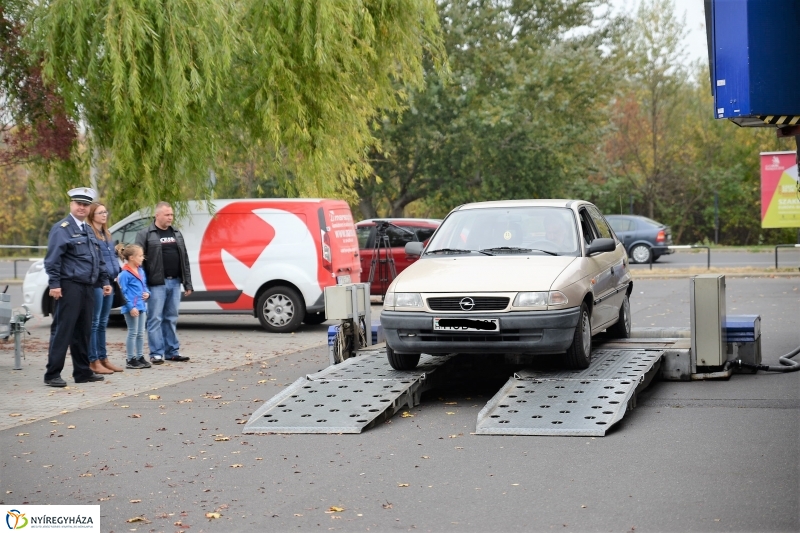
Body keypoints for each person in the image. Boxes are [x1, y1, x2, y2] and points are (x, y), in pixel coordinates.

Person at [43, 187, 112, 387]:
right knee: (63, 330)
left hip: (88, 287)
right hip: (69, 286)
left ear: (89, 207)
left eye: (85, 204)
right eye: (78, 204)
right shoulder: (62, 228)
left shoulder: (88, 229)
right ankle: (52, 374)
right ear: (71, 205)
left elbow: (97, 259)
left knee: (83, 331)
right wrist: (55, 284)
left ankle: (82, 372)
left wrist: (104, 281)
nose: (82, 207)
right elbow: (52, 260)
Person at [135, 201, 193, 365]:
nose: (170, 217)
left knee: (171, 317)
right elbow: (138, 261)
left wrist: (188, 283)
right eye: (167, 215)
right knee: (155, 319)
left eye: (171, 214)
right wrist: (142, 285)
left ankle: (172, 352)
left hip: (174, 283)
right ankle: (156, 353)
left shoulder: (176, 233)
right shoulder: (145, 234)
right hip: (156, 284)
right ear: (157, 215)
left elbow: (184, 260)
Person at [87, 203, 123, 374]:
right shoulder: (90, 234)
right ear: (92, 215)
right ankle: (93, 360)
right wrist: (103, 281)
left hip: (110, 281)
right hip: (98, 283)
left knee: (103, 322)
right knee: (94, 322)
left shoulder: (107, 234)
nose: (104, 215)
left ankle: (103, 358)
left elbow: (111, 258)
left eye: (105, 212)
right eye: (100, 212)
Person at [117, 244, 151, 369]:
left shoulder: (140, 270)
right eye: (140, 256)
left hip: (142, 306)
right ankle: (130, 358)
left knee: (141, 333)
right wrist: (131, 307)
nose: (143, 258)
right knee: (133, 332)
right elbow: (123, 293)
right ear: (131, 257)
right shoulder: (125, 274)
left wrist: (148, 293)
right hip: (132, 308)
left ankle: (140, 356)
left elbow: (144, 286)